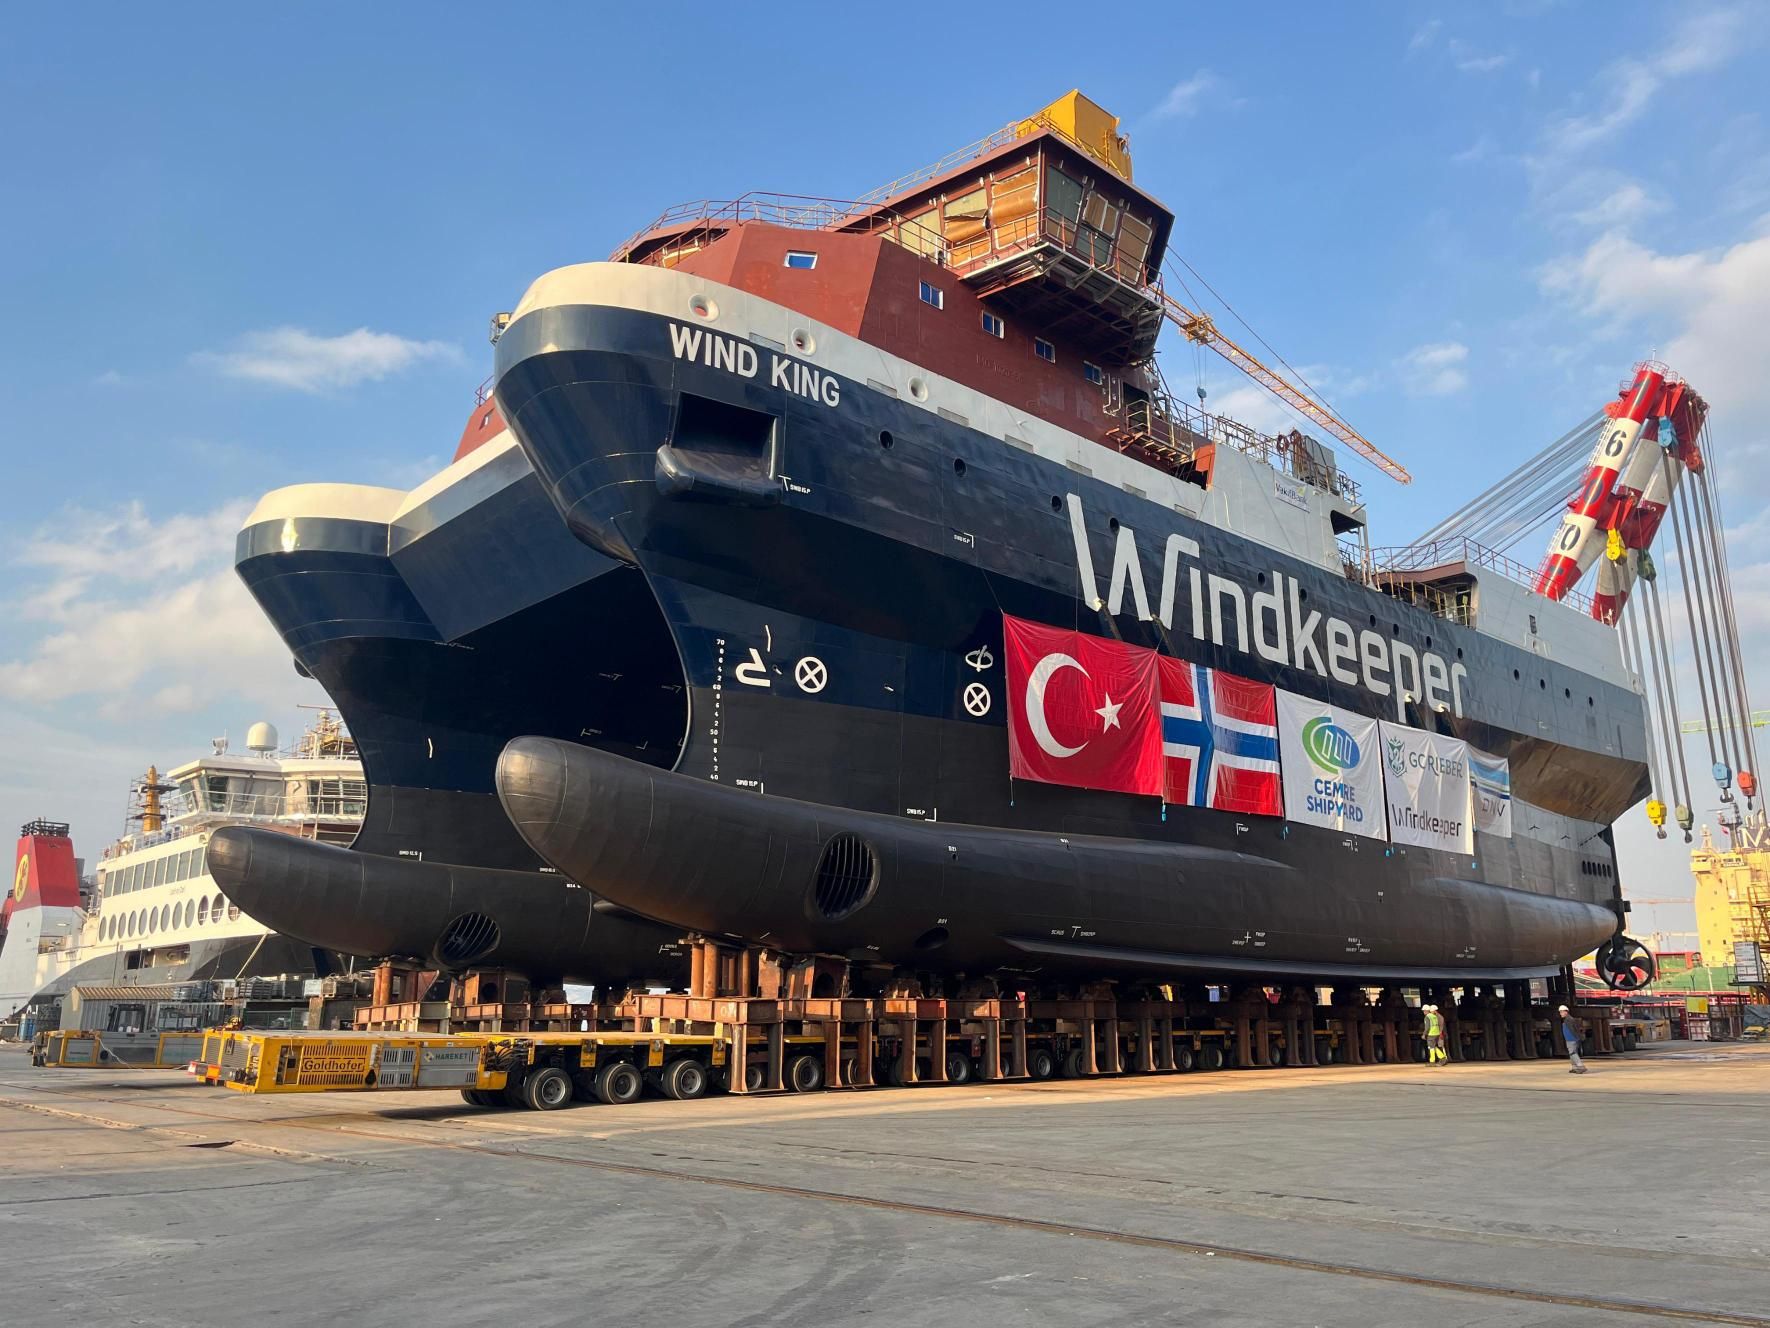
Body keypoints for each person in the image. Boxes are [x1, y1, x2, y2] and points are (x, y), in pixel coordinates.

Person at [1560, 1005, 1588, 1074]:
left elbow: (1574, 1030)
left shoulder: (1569, 1020)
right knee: (1572, 1053)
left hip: (1571, 1039)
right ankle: (1574, 1068)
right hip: (1570, 1039)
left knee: (1573, 1053)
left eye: (1561, 1012)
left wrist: (1577, 1038)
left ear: (1566, 1012)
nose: (1560, 1014)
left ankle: (1581, 1067)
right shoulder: (1568, 1019)